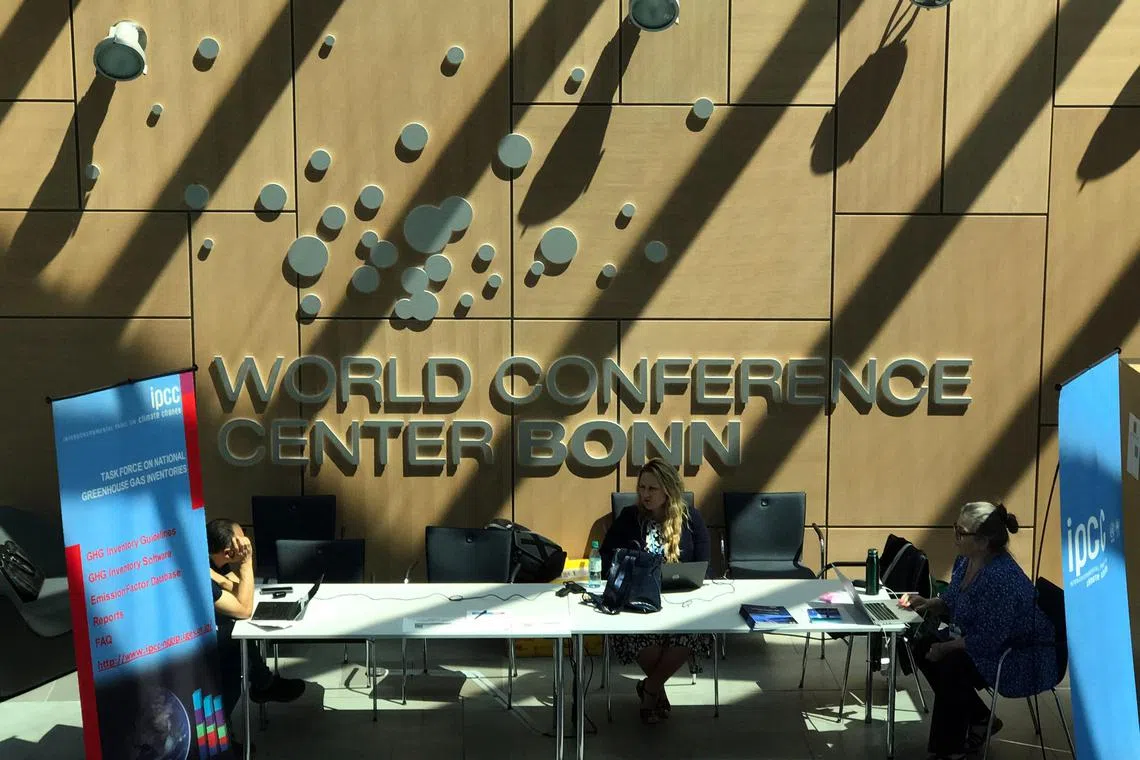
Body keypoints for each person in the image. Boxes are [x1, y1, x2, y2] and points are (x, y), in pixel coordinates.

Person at [898, 502, 1056, 760]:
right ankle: (981, 718)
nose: (955, 537)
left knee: (950, 663)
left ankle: (949, 750)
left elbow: (987, 641)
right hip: (988, 642)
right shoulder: (966, 560)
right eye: (955, 528)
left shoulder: (1000, 578)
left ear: (983, 541)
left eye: (961, 532)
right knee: (923, 646)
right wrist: (928, 603)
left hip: (1020, 656)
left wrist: (945, 647)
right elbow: (952, 600)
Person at [599, 458, 711, 724]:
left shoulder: (691, 518)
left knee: (694, 633)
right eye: (642, 488)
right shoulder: (629, 518)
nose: (644, 495)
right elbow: (606, 558)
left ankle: (650, 689)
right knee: (635, 635)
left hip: (682, 601)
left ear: (668, 490)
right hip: (640, 601)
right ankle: (656, 691)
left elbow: (705, 565)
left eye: (652, 489)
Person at [206, 518, 305, 743]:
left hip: (209, 627)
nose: (247, 544)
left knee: (239, 635)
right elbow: (244, 609)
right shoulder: (203, 575)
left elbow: (235, 587)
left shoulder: (211, 561)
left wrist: (228, 580)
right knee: (236, 642)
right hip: (197, 643)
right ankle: (259, 687)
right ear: (230, 550)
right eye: (243, 541)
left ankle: (263, 683)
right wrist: (246, 563)